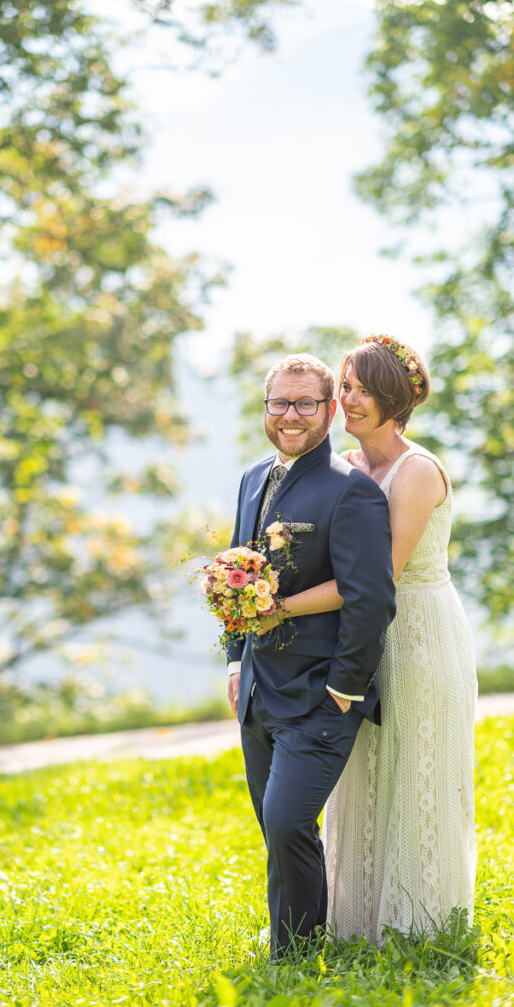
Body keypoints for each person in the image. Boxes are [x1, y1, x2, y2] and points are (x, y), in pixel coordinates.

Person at [267, 336, 477, 942]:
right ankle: (356, 920)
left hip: (417, 633)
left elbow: (374, 578)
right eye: (347, 386)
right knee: (360, 773)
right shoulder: (348, 469)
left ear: (393, 398)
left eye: (360, 389)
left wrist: (277, 609)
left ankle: (420, 926)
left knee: (417, 767)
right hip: (357, 640)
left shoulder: (416, 471)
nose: (348, 399)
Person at [226, 353, 396, 960]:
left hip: (321, 691)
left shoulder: (352, 492)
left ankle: (294, 958)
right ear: (266, 409)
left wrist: (346, 687)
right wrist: (233, 661)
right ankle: (296, 940)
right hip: (257, 689)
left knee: (289, 820)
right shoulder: (251, 478)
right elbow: (235, 576)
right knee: (276, 826)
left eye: (305, 403)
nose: (290, 415)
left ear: (329, 409)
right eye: (279, 403)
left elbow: (371, 597)